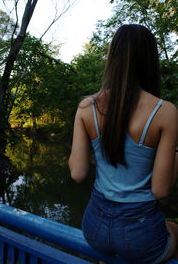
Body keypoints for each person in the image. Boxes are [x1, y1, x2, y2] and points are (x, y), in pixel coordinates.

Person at [68, 24, 178, 264]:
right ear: (150, 60)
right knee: (174, 229)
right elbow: (161, 190)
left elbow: (77, 173)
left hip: (94, 228)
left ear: (112, 57)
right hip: (139, 234)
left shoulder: (87, 108)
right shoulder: (165, 112)